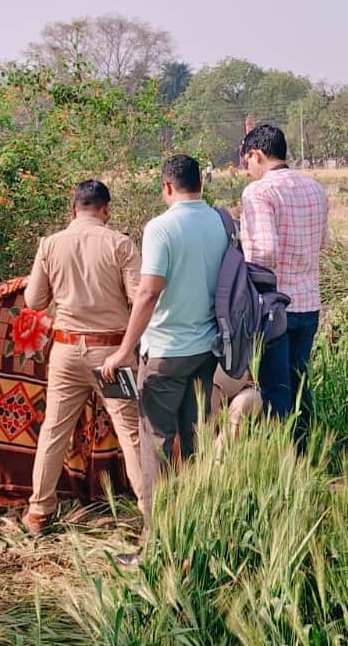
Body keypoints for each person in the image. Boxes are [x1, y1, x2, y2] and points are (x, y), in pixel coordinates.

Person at [21, 180, 147, 534]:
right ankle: (149, 508)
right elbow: (140, 298)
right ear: (106, 209)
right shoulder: (120, 243)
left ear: (73, 208)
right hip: (111, 354)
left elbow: (33, 302)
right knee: (130, 432)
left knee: (54, 430)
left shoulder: (50, 245)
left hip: (65, 352)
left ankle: (38, 511)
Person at [102, 155, 227, 490]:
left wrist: (124, 350)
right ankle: (193, 518)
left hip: (166, 353)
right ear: (200, 183)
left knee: (156, 440)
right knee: (194, 439)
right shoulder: (222, 222)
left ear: (167, 186)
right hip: (206, 348)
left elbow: (148, 292)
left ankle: (159, 530)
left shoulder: (161, 228)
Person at [238, 124, 329, 444]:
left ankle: (281, 465)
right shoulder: (315, 189)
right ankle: (306, 458)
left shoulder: (259, 192)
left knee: (276, 393)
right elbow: (322, 244)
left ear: (257, 154)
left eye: (245, 161)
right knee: (300, 386)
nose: (246, 169)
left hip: (274, 307)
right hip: (309, 303)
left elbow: (264, 250)